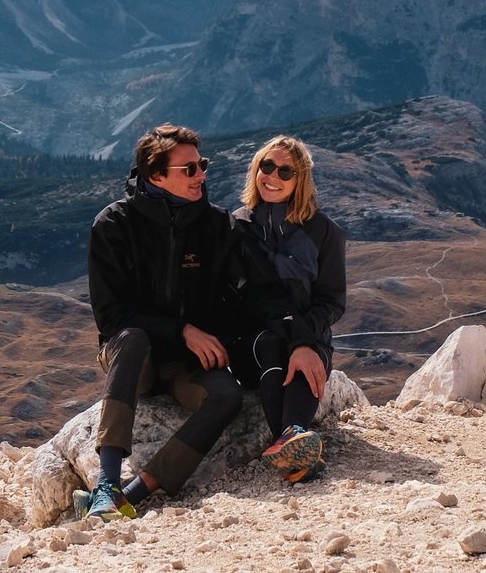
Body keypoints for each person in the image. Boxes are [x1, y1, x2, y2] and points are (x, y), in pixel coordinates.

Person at [79, 123, 244, 519]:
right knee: (133, 337)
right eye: (189, 169)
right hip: (135, 358)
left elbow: (234, 301)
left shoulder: (218, 226)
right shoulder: (114, 225)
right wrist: (182, 330)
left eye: (201, 165)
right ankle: (107, 484)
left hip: (184, 365)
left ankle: (134, 494)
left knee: (228, 396)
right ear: (156, 175)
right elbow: (112, 316)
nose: (202, 175)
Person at [230, 134, 346, 483]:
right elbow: (250, 298)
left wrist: (306, 341)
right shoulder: (238, 226)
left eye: (286, 171)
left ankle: (292, 439)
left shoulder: (324, 232)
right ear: (256, 170)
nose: (273, 177)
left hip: (310, 335)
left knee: (304, 353)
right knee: (271, 345)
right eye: (267, 166)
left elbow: (332, 301)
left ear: (301, 180)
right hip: (255, 340)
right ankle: (297, 442)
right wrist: (299, 342)